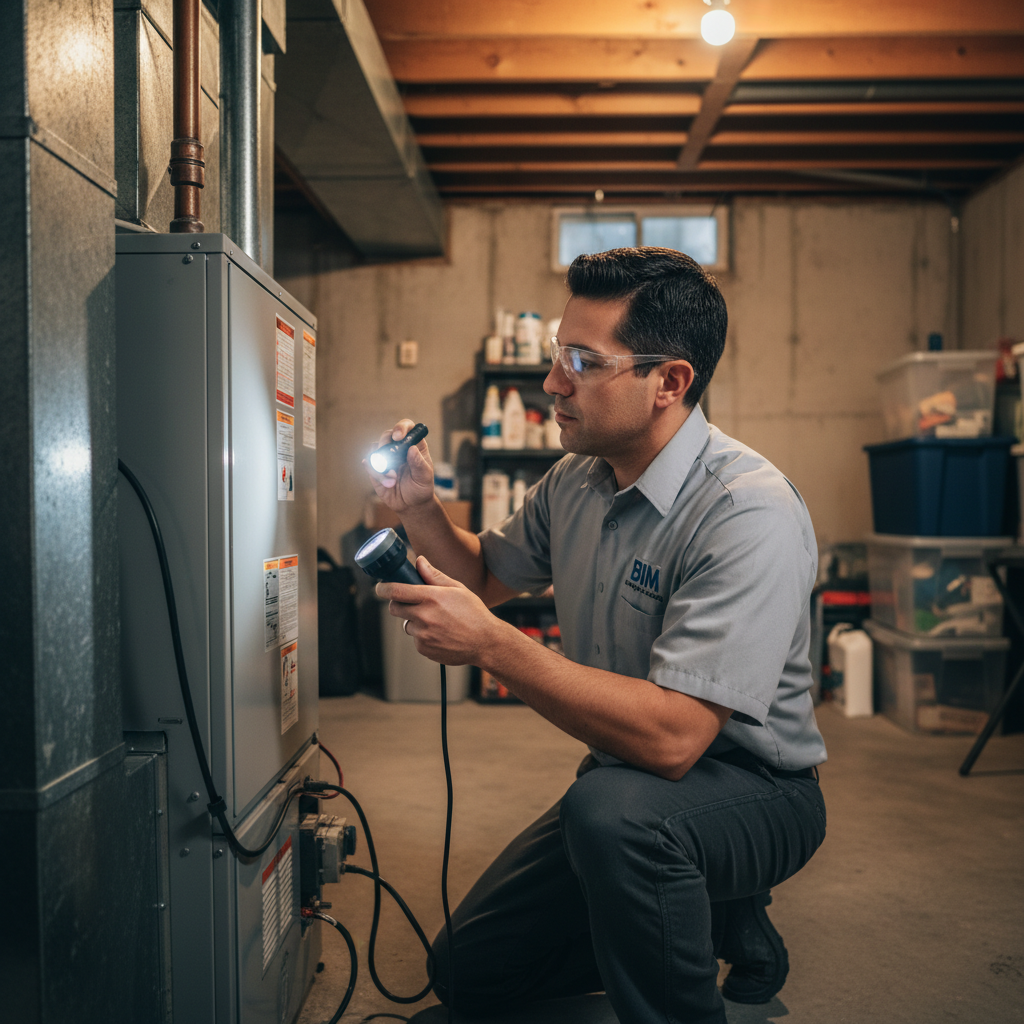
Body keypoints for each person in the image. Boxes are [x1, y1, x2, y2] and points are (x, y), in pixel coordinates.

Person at [364, 247, 827, 1024]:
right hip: (630, 782)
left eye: (583, 361)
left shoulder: (749, 512)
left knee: (611, 815)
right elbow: (484, 578)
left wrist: (494, 647)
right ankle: (716, 914)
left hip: (756, 790)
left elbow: (677, 740)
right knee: (468, 972)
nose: (551, 384)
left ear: (670, 382)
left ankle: (716, 910)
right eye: (556, 355)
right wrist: (419, 510)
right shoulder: (575, 480)